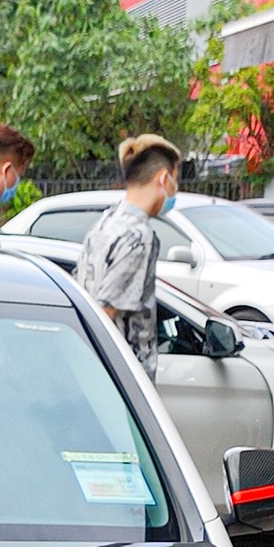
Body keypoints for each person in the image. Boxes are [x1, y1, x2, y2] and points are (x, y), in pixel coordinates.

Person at [74, 134, 181, 371]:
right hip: (124, 370)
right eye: (175, 181)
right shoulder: (139, 237)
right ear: (164, 179)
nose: (175, 191)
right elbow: (106, 311)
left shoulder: (107, 221)